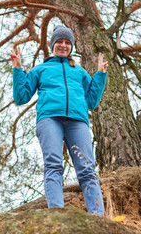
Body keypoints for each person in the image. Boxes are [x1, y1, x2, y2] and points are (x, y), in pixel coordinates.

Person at [11, 25, 108, 216]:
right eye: (59, 42)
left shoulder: (79, 72)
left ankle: (98, 216)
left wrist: (100, 75)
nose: (63, 46)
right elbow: (21, 96)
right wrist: (18, 70)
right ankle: (56, 213)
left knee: (87, 169)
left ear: (71, 46)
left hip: (77, 122)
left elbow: (91, 101)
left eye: (67, 42)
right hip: (49, 119)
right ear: (53, 44)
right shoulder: (41, 69)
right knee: (54, 164)